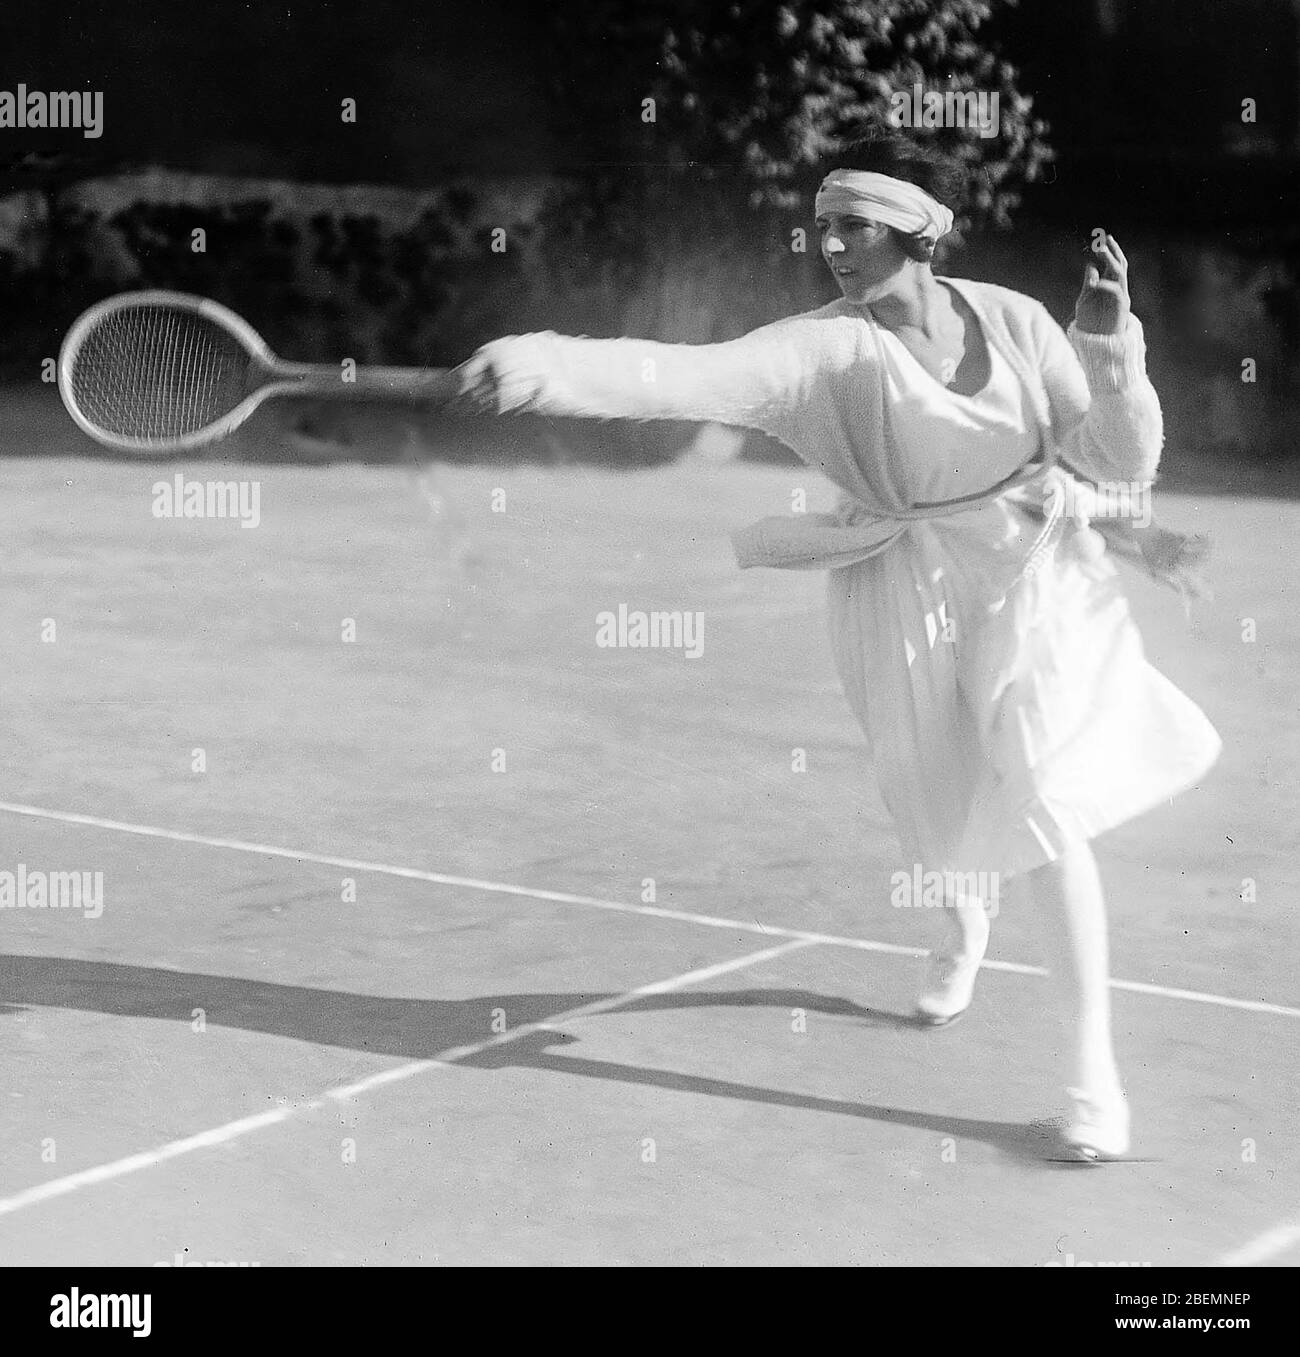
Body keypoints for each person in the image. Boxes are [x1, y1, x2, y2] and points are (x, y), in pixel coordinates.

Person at [447, 127, 1221, 1160]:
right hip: (899, 580)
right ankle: (960, 927)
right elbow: (676, 374)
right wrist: (541, 365)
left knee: (1046, 803)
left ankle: (1094, 1085)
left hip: (1037, 574)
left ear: (923, 231)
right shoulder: (818, 348)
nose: (832, 245)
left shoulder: (1019, 322)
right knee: (934, 799)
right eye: (823, 227)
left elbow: (1119, 461)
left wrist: (1106, 343)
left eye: (854, 225)